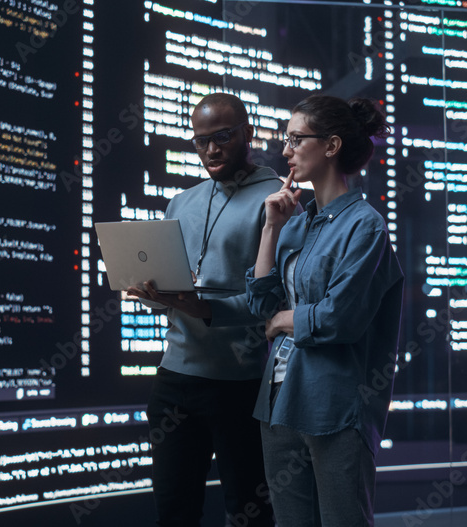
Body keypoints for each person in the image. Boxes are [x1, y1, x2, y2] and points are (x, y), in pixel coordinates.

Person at [245, 94, 404, 526]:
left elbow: (340, 319)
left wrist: (285, 319)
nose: (286, 150)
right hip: (278, 400)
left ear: (332, 145)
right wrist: (271, 229)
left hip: (333, 405)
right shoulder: (296, 222)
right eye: (286, 139)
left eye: (296, 139)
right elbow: (261, 303)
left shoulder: (365, 225)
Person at [126, 92, 283, 527]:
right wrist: (155, 295)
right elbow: (176, 291)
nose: (211, 149)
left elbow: (274, 303)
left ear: (247, 134)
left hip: (239, 383)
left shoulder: (277, 200)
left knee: (249, 513)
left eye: (223, 137)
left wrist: (204, 308)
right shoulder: (181, 201)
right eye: (201, 141)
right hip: (173, 380)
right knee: (173, 513)